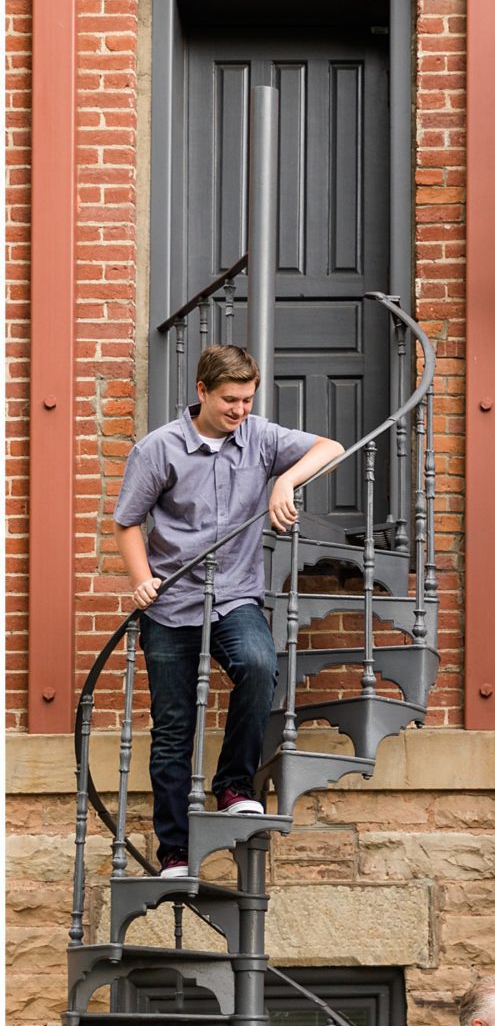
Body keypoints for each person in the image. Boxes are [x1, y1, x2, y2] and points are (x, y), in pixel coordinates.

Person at [113, 344, 344, 878]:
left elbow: (328, 447)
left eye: (246, 399)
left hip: (234, 596)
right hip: (170, 605)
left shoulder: (260, 436)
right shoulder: (159, 449)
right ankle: (173, 849)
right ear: (201, 392)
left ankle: (234, 785)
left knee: (260, 666)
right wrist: (142, 579)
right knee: (173, 727)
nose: (240, 410)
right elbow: (127, 523)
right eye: (229, 400)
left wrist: (285, 479)